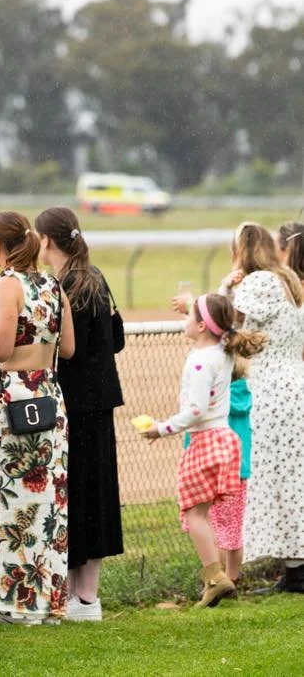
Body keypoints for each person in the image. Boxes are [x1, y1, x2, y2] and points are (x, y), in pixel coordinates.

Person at [141, 294, 265, 607]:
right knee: (204, 513)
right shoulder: (222, 351)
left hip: (205, 441)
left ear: (200, 325)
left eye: (189, 316)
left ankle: (215, 577)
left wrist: (162, 428)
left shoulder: (200, 361)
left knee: (194, 513)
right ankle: (216, 578)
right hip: (225, 439)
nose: (184, 321)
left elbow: (195, 410)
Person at [0, 211, 74, 625]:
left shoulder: (7, 285)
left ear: (0, 246)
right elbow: (67, 347)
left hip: (15, 393)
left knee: (8, 497)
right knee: (48, 502)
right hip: (50, 395)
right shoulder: (53, 284)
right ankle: (48, 600)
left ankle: (11, 600)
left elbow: (1, 347)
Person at [34, 207, 124, 622]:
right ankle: (89, 594)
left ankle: (78, 597)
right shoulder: (96, 278)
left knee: (76, 495)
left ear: (46, 241)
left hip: (73, 402)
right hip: (102, 401)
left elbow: (62, 346)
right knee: (99, 493)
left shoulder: (63, 285)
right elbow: (116, 339)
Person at [222, 223, 304, 593]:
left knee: (275, 480)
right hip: (295, 381)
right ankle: (294, 566)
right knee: (293, 478)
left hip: (270, 389)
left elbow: (227, 323)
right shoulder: (288, 280)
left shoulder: (258, 283)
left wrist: (226, 288)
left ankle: (295, 569)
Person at [183, 356, 253, 584]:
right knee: (233, 531)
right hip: (238, 472)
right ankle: (233, 578)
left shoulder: (214, 401)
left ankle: (217, 582)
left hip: (213, 471)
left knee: (215, 533)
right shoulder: (245, 395)